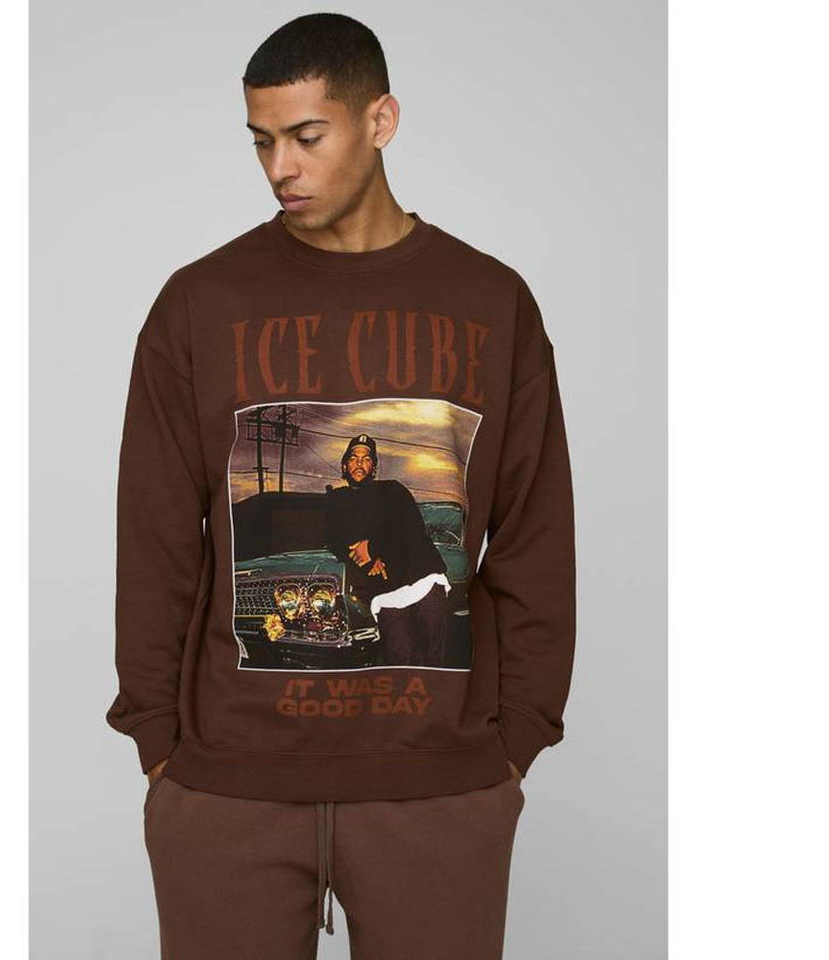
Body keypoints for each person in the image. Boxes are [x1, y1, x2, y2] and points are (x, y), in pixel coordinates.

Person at [108, 13, 576, 959]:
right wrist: (159, 744)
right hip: (228, 790)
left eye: (306, 136)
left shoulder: (491, 304)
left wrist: (513, 744)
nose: (280, 167)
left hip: (440, 790)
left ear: (380, 120)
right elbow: (155, 537)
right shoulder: (200, 304)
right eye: (261, 141)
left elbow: (534, 538)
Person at [324, 432, 452, 667]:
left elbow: (411, 528)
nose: (360, 463)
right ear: (344, 466)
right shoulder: (336, 501)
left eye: (366, 459)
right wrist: (367, 561)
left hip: (423, 578)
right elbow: (336, 540)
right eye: (354, 458)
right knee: (401, 661)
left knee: (434, 661)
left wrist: (372, 548)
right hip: (386, 591)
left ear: (373, 468)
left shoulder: (393, 490)